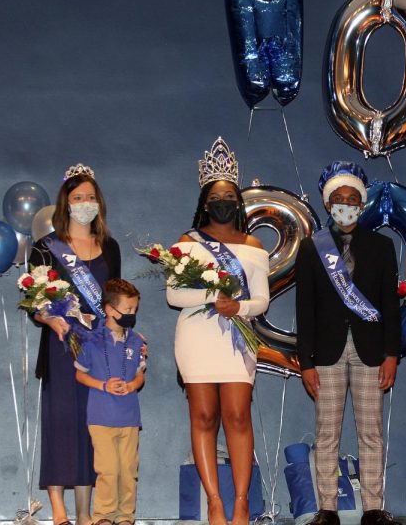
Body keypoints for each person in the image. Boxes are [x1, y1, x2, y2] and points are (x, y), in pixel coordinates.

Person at [167, 137, 270, 525]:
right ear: (205, 202)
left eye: (230, 195)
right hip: (196, 337)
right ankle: (214, 501)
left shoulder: (253, 244)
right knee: (204, 416)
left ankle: (241, 500)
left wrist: (238, 305)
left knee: (238, 416)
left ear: (238, 202)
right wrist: (213, 292)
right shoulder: (187, 243)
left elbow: (261, 300)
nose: (224, 201)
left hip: (235, 336)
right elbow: (176, 295)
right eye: (217, 195)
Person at [296, 161, 401, 525]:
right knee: (327, 433)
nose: (345, 204)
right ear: (328, 204)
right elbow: (304, 308)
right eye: (338, 198)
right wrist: (305, 362)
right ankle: (328, 508)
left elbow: (391, 304)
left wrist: (392, 355)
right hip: (326, 352)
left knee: (371, 432)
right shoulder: (313, 248)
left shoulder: (383, 247)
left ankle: (373, 508)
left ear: (362, 203)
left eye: (352, 198)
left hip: (372, 352)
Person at [31, 164, 121, 525]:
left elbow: (116, 299)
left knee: (90, 424)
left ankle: (86, 511)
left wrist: (125, 336)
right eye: (77, 198)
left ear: (99, 202)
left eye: (90, 197)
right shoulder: (47, 247)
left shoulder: (110, 247)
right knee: (61, 420)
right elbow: (32, 297)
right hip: (60, 344)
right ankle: (58, 509)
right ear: (65, 204)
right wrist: (49, 317)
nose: (85, 203)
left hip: (98, 346)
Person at [74, 278, 147, 525]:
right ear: (109, 309)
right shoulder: (92, 340)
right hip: (100, 418)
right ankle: (104, 516)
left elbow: (140, 376)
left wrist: (132, 385)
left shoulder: (137, 341)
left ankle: (126, 517)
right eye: (127, 310)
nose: (131, 314)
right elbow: (79, 374)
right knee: (108, 470)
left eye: (135, 310)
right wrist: (103, 385)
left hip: (129, 418)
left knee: (128, 471)